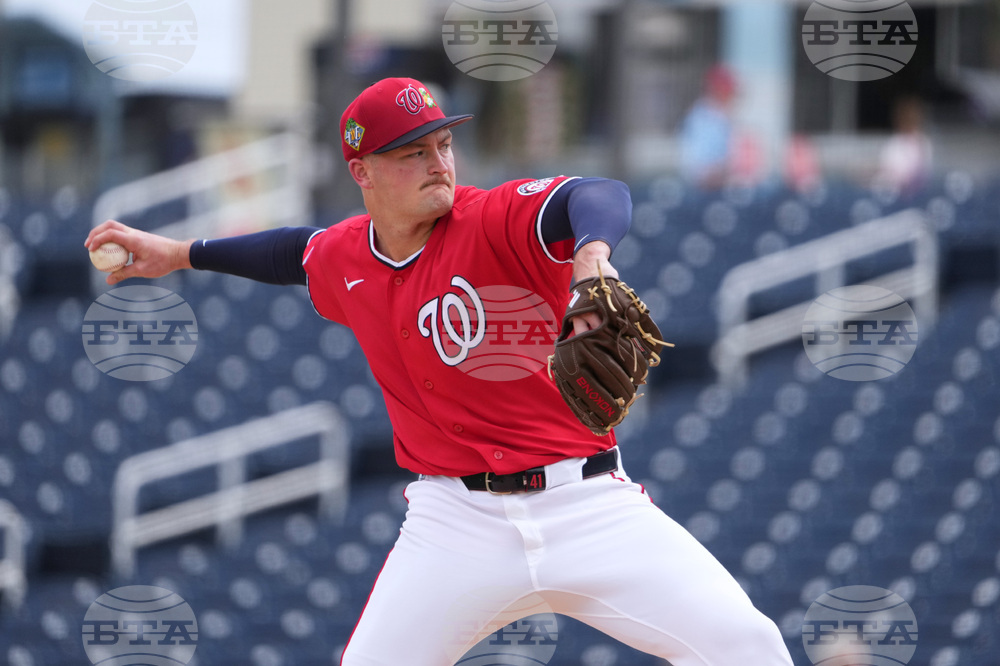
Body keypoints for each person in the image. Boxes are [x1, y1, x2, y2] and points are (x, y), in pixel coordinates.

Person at [86, 77, 793, 665]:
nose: (439, 163)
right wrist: (179, 253)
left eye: (443, 144)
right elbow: (289, 254)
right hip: (455, 523)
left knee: (748, 645)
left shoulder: (491, 220)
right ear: (361, 172)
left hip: (587, 505)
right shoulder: (345, 256)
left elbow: (597, 193)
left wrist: (592, 254)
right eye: (411, 153)